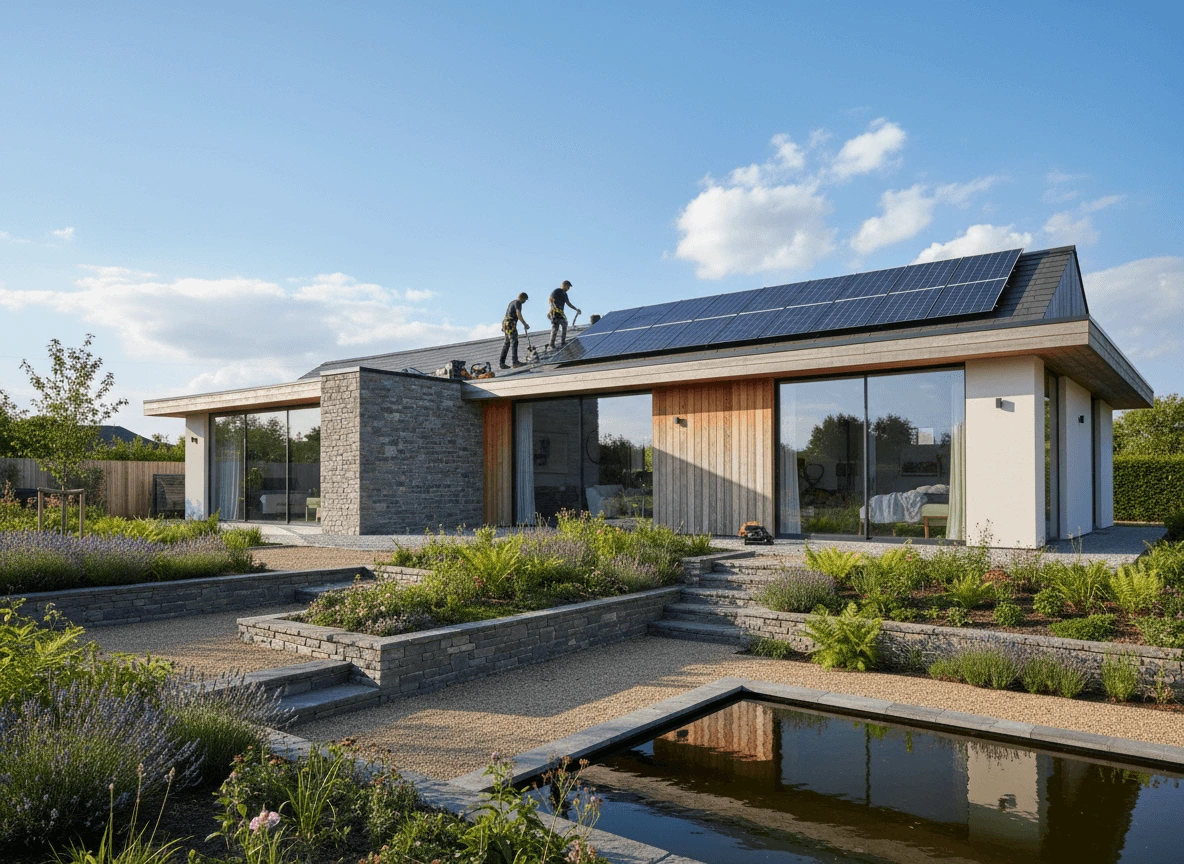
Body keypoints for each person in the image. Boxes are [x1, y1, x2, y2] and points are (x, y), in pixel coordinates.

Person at [547, 280, 582, 349]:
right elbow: (550, 299)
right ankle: (551, 343)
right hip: (554, 312)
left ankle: (563, 342)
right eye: (568, 287)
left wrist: (575, 309)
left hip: (560, 313)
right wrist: (554, 307)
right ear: (564, 285)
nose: (568, 289)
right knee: (555, 327)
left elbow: (568, 303)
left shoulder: (565, 294)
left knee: (565, 324)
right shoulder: (557, 291)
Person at [499, 292, 530, 369]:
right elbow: (518, 314)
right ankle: (515, 362)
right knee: (514, 341)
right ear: (523, 298)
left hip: (505, 324)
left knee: (507, 343)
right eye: (525, 300)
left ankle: (502, 363)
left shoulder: (512, 302)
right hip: (510, 324)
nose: (525, 302)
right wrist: (525, 324)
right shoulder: (518, 303)